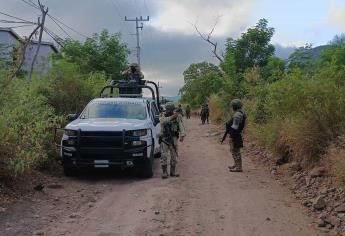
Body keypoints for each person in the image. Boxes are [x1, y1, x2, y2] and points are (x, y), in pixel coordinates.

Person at [159, 103, 186, 179]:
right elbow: (162, 121)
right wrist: (172, 117)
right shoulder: (162, 116)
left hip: (174, 138)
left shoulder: (178, 117)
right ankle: (164, 172)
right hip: (164, 138)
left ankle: (172, 172)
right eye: (167, 109)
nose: (168, 111)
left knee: (174, 156)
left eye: (170, 109)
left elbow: (181, 126)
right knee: (164, 155)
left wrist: (182, 135)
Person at [220, 99, 247, 172]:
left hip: (236, 134)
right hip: (237, 134)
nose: (232, 107)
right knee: (234, 150)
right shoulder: (240, 113)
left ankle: (239, 167)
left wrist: (231, 136)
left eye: (232, 106)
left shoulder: (237, 114)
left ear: (235, 106)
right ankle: (236, 164)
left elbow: (235, 127)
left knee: (235, 151)